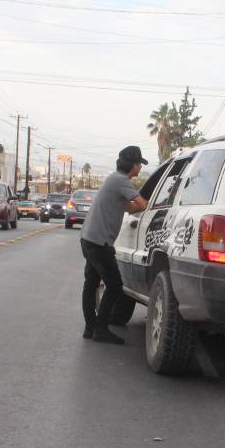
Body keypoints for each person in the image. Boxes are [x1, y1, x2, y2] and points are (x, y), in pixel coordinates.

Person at [79, 145, 149, 344]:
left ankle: (90, 328)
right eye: (139, 164)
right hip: (99, 243)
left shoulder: (113, 179)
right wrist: (149, 200)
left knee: (91, 283)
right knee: (115, 286)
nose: (140, 169)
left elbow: (128, 206)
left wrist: (136, 204)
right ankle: (101, 329)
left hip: (89, 239)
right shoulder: (122, 181)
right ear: (132, 165)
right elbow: (141, 205)